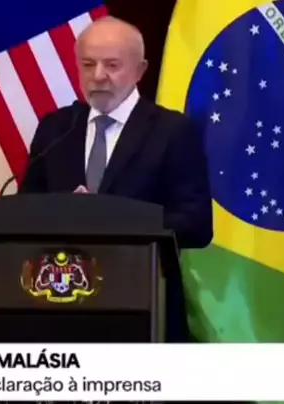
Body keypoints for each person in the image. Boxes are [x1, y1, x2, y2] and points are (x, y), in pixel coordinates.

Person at [19, 16, 213, 342]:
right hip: (60, 309)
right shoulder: (57, 128)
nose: (98, 76)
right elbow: (24, 210)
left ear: (139, 70)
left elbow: (196, 225)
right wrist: (61, 212)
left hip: (143, 311)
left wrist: (110, 218)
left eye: (112, 65)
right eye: (88, 64)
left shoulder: (173, 131)